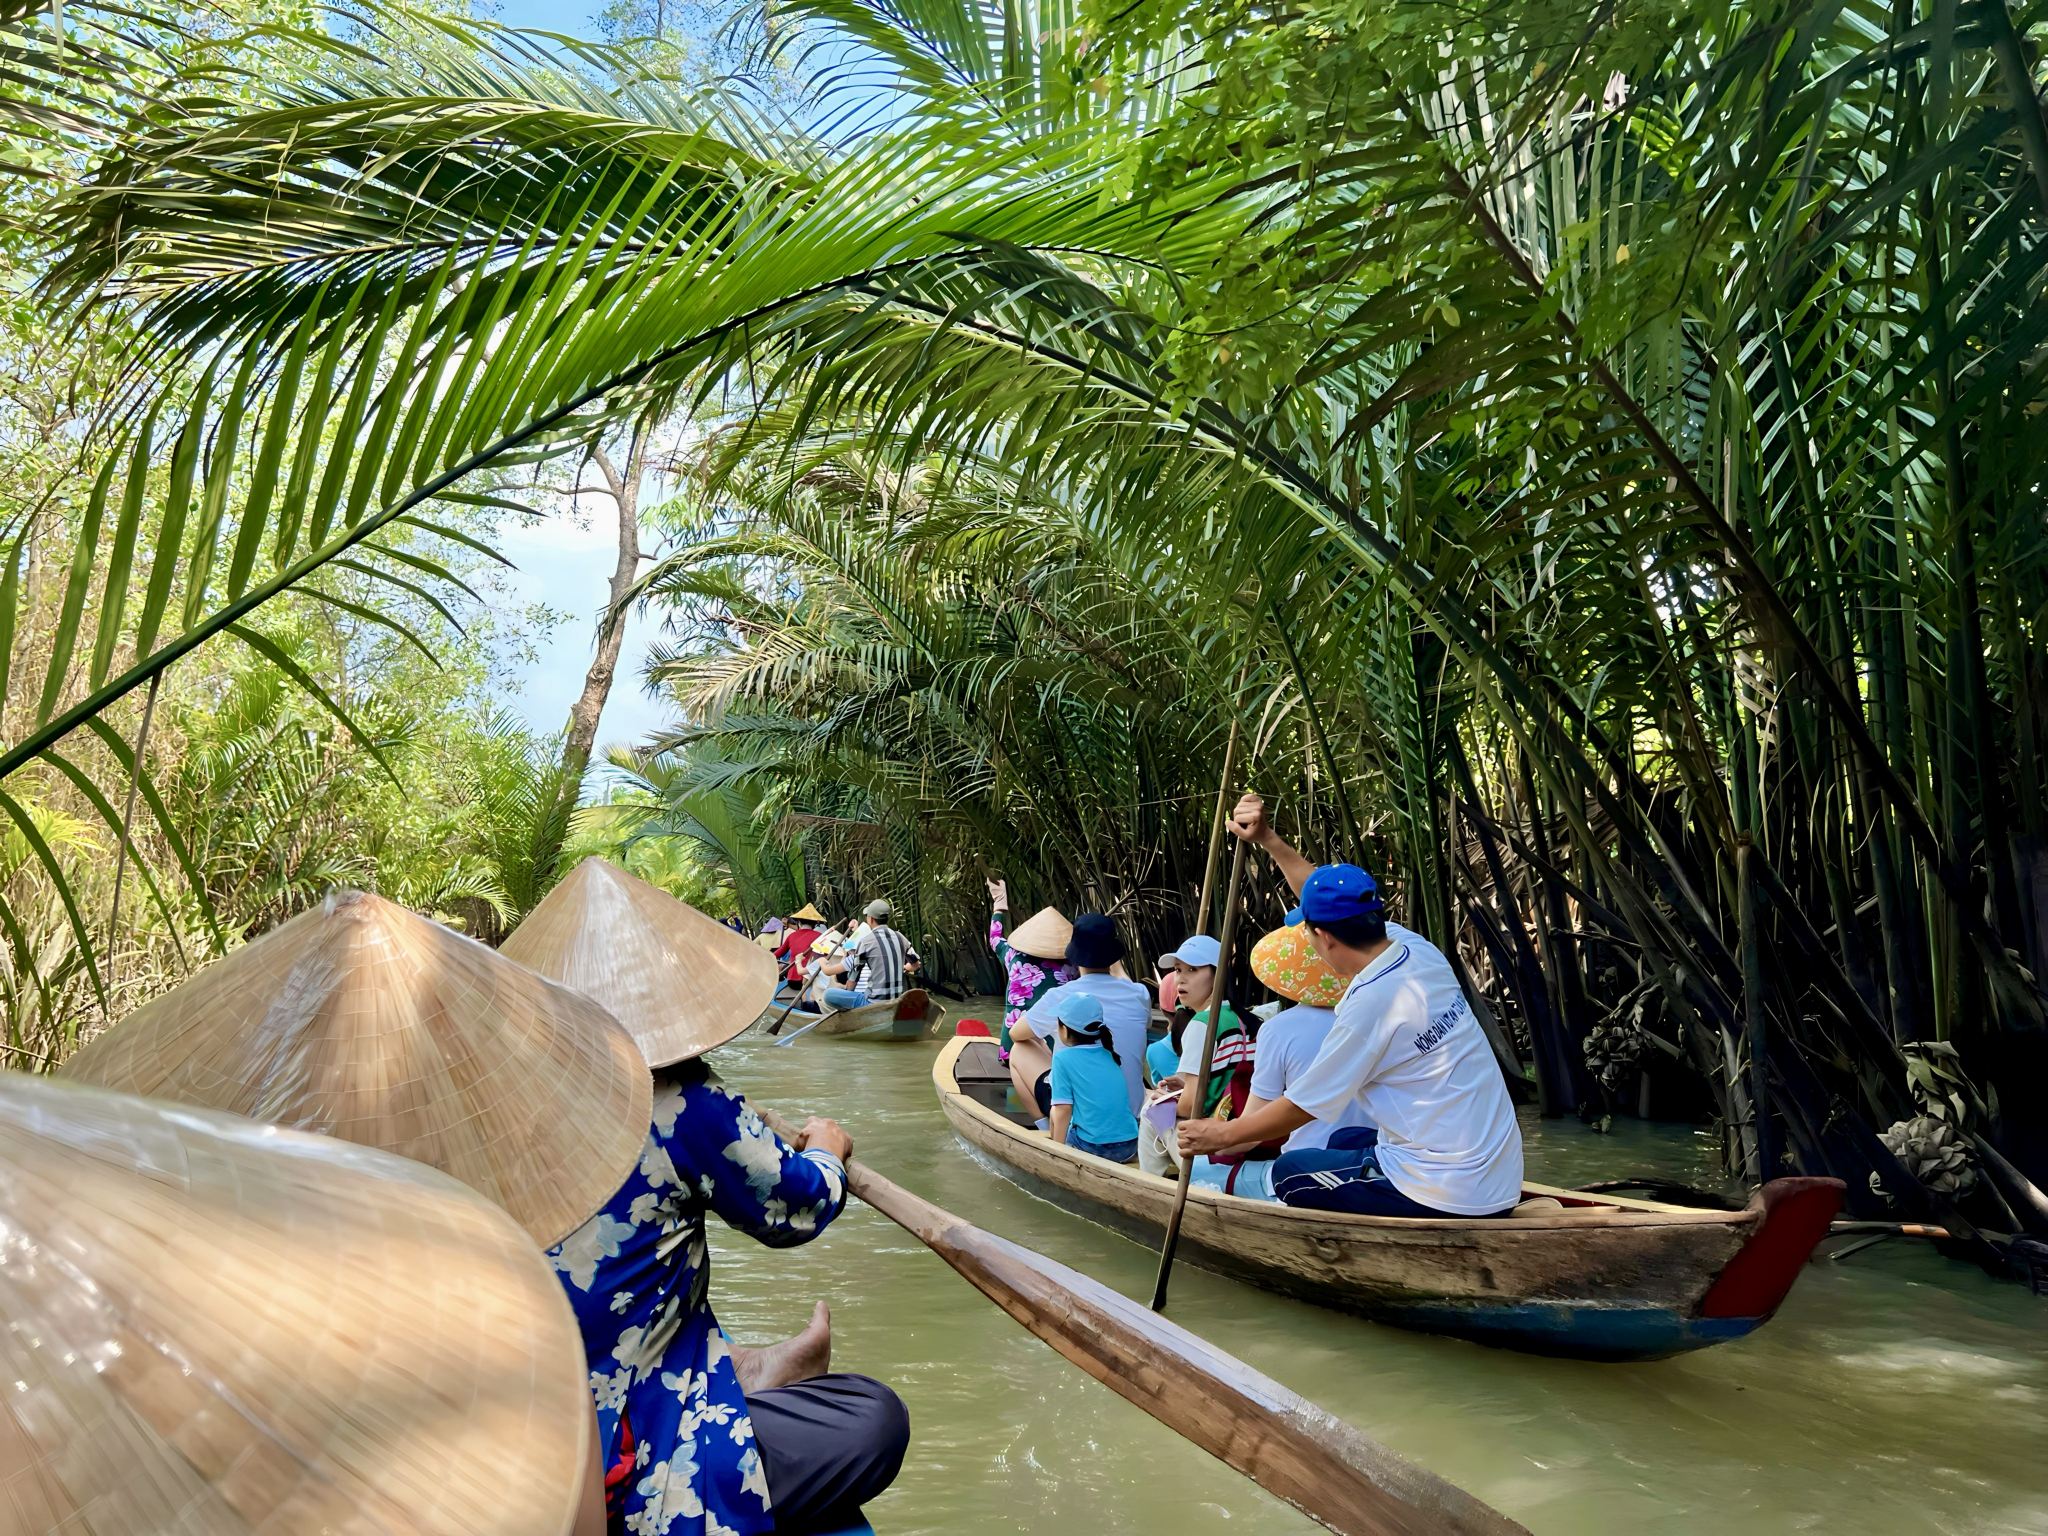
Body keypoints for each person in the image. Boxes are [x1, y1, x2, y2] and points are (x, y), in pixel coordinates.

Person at [552, 1066, 910, 1535]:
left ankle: (737, 1362)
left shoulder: (444, 1131)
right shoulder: (673, 1095)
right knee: (875, 1418)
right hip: (629, 1437)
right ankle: (738, 1371)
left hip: (517, 1400)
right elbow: (797, 1204)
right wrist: (827, 1150)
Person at [1177, 794, 1523, 1219]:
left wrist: (1220, 1135)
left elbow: (1298, 1108)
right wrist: (1268, 839)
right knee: (1346, 1140)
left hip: (1448, 1191)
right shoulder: (1416, 951)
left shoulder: (1368, 1005)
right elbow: (1319, 890)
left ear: (1323, 937)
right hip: (1497, 1176)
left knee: (1290, 1172)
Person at [1011, 913, 1153, 1130]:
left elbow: (1015, 1033)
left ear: (1074, 956)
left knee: (1020, 1049)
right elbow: (1129, 991)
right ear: (1114, 956)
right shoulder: (1139, 994)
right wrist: (1116, 965)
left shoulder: (1061, 997)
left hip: (1082, 1119)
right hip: (1129, 1118)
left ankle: (1046, 1127)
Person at [1138, 933, 1254, 1175]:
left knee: (1150, 1109)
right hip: (1245, 1131)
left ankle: (1150, 1184)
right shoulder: (1245, 1020)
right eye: (1178, 970)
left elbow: (1191, 1105)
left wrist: (1163, 1099)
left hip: (1213, 1143)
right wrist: (1184, 1086)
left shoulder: (1203, 1024)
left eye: (1193, 969)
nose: (1181, 979)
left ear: (1217, 973)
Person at [1046, 993, 1141, 1163]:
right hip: (1130, 1144)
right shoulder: (1109, 1054)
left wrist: (1055, 1154)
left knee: (1055, 1110)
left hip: (1095, 1147)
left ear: (1065, 1030)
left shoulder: (1062, 1058)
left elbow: (1063, 1110)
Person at [986, 878, 1078, 1052]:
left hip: (1012, 1049)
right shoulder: (1073, 964)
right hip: (1058, 1050)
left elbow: (995, 938)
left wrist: (999, 903)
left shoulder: (1013, 956)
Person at [822, 899, 921, 1009]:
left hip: (872, 1003)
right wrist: (901, 968)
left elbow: (853, 978)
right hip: (897, 1000)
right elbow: (916, 965)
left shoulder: (866, 942)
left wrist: (847, 998)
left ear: (871, 919)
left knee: (828, 994)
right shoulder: (900, 937)